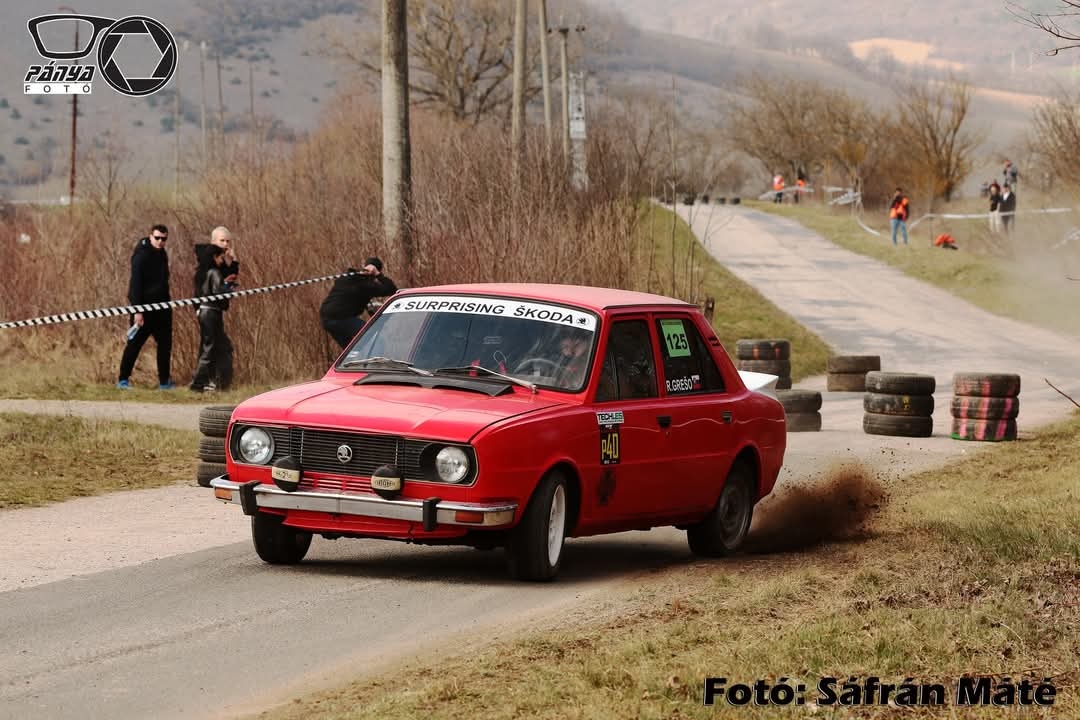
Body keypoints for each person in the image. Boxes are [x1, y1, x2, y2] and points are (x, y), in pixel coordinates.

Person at [118, 224, 174, 389]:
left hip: (162, 309)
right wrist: (137, 310)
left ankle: (164, 382)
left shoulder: (163, 255)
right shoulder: (141, 256)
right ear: (150, 237)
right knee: (134, 344)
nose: (160, 241)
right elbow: (135, 285)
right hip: (143, 309)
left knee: (165, 345)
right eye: (157, 238)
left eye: (164, 239)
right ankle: (123, 380)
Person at [193, 226, 239, 390]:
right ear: (213, 242)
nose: (225, 244)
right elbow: (204, 286)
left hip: (215, 310)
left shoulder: (220, 262)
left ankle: (214, 382)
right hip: (208, 310)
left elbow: (228, 278)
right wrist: (198, 307)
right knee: (212, 347)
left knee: (215, 347)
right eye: (222, 240)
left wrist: (233, 263)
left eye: (228, 241)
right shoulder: (208, 262)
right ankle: (201, 383)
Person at [319, 257, 398, 349]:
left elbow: (352, 295)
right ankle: (368, 357)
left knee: (351, 350)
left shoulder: (347, 278)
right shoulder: (366, 286)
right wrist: (378, 275)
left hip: (325, 319)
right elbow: (392, 290)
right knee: (375, 338)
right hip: (341, 318)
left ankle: (354, 355)